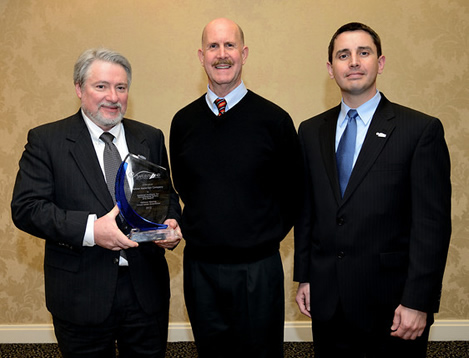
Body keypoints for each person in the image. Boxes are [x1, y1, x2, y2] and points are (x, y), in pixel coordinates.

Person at [294, 22, 452, 357]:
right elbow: (308, 212)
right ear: (330, 68)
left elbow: (432, 226)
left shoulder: (419, 131)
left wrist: (417, 301)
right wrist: (305, 277)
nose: (353, 62)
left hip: (392, 307)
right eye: (343, 55)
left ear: (380, 63)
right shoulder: (310, 132)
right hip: (328, 302)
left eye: (363, 53)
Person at [11, 48, 182, 358]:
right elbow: (27, 208)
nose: (112, 97)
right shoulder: (47, 140)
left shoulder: (150, 137)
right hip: (80, 293)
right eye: (101, 86)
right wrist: (91, 230)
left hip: (146, 291)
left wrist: (170, 224)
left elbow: (166, 195)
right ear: (79, 89)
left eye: (121, 87)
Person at [170, 18, 301, 358]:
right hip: (200, 270)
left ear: (243, 54)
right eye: (213, 46)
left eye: (229, 46)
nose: (222, 54)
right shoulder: (183, 122)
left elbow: (294, 194)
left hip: (258, 270)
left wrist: (259, 235)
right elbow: (184, 186)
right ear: (201, 56)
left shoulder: (275, 120)